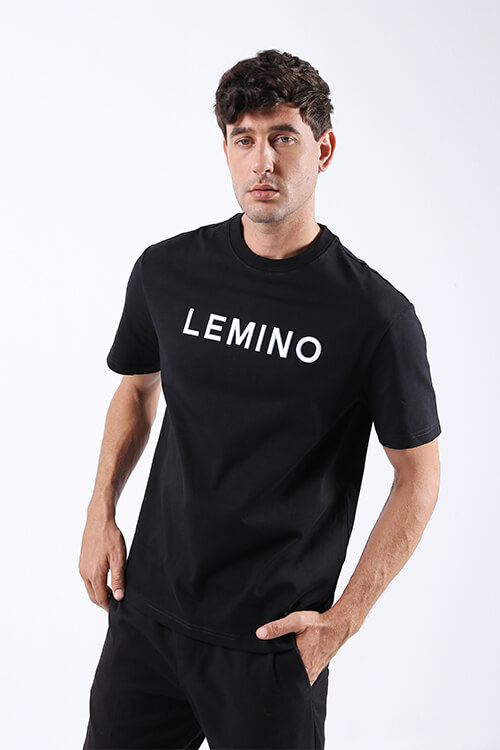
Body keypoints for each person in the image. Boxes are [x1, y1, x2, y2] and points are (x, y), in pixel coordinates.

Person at [79, 48, 442, 750]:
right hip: (147, 622)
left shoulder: (375, 317)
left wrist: (340, 623)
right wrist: (101, 512)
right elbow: (136, 389)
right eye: (243, 140)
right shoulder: (167, 270)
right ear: (225, 150)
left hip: (270, 647)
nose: (263, 161)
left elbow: (419, 477)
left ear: (323, 149)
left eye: (283, 137)